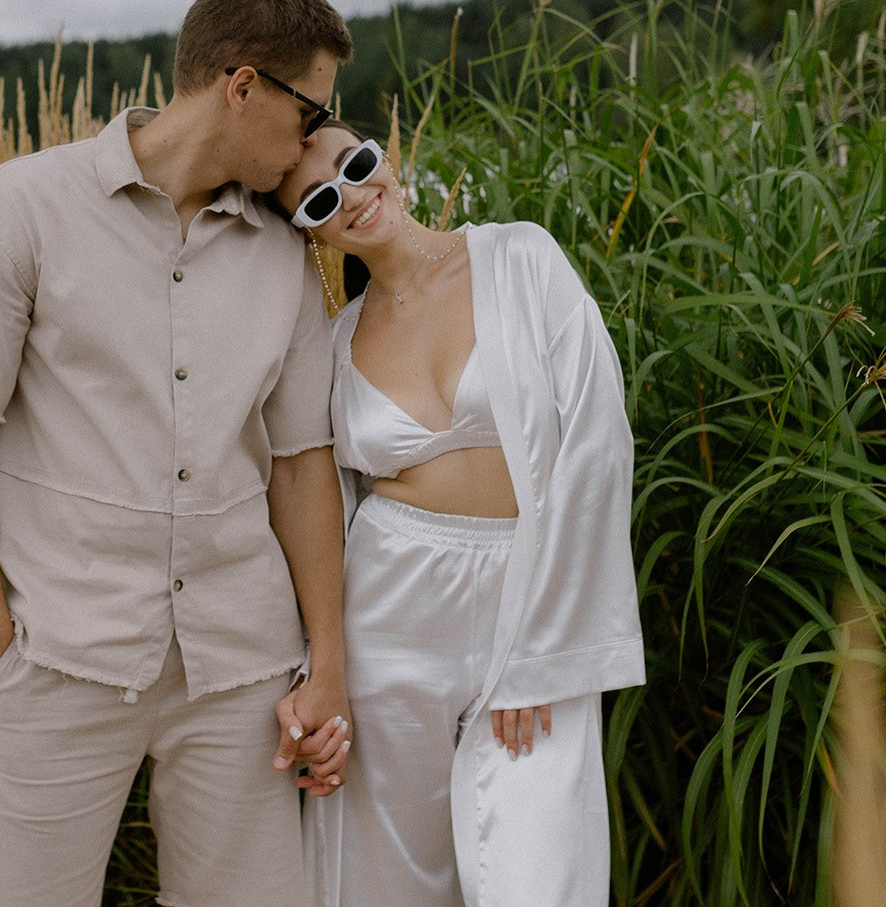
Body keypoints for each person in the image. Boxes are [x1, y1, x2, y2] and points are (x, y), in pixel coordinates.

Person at [0, 0, 360, 907]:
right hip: (61, 653)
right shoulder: (23, 208)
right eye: (310, 113)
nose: (313, 143)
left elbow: (302, 468)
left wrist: (329, 664)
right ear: (243, 85)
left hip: (242, 669)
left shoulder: (284, 257)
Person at [270, 121, 645, 906]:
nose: (352, 196)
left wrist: (542, 649)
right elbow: (322, 504)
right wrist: (319, 668)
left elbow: (597, 441)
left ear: (388, 157)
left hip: (532, 599)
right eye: (318, 200)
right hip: (391, 611)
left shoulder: (520, 257)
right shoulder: (335, 343)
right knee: (389, 873)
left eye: (357, 164)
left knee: (541, 871)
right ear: (308, 229)